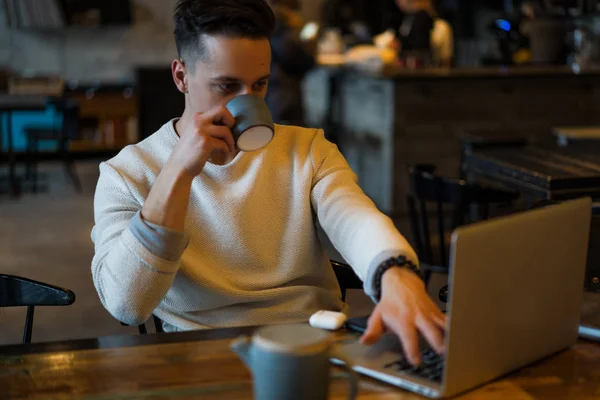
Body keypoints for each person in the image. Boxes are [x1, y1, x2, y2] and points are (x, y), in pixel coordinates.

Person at [91, 0, 446, 366]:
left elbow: (353, 216)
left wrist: (395, 273)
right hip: (201, 355)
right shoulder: (128, 172)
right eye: (227, 86)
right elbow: (127, 304)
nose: (247, 102)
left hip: (312, 343)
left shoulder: (307, 150)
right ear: (181, 76)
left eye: (259, 85)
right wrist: (177, 172)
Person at [265, 0, 315, 126]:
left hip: (274, 94)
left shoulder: (265, 26)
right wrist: (309, 46)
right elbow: (302, 61)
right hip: (283, 96)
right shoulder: (281, 30)